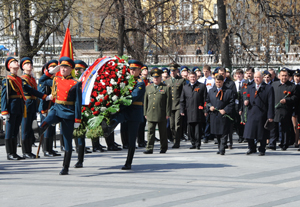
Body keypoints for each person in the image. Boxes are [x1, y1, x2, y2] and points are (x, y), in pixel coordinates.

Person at [39, 57, 82, 175]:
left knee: (67, 141)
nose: (63, 69)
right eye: (62, 67)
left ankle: (65, 167)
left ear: (71, 69)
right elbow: (41, 81)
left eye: (66, 67)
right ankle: (40, 130)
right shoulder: (55, 79)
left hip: (68, 112)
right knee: (46, 121)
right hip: (56, 108)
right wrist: (51, 71)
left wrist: (78, 119)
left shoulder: (76, 83)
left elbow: (78, 102)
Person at [101, 59, 145, 170]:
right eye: (131, 69)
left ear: (139, 70)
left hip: (134, 112)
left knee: (131, 139)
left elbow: (133, 96)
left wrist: (119, 103)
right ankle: (108, 129)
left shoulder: (140, 83)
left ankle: (128, 162)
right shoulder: (124, 81)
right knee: (114, 119)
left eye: (134, 69)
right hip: (124, 110)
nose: (132, 71)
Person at [20, 57, 51, 159]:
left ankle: (29, 151)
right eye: (27, 64)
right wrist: (44, 96)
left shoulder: (32, 79)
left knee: (30, 128)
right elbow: (30, 90)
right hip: (26, 105)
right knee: (25, 128)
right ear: (23, 67)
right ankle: (25, 151)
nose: (30, 65)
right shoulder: (23, 79)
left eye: (30, 64)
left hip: (33, 105)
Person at [1, 57, 27, 160]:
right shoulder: (7, 80)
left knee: (15, 131)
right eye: (13, 62)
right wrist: (4, 110)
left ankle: (14, 152)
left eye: (16, 61)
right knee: (9, 131)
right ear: (9, 66)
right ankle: (9, 153)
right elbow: (4, 96)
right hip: (11, 108)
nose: (16, 62)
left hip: (19, 107)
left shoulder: (19, 79)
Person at [243, 71, 275, 156]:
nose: (256, 79)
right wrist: (246, 101)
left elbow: (271, 103)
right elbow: (247, 97)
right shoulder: (250, 87)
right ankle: (251, 147)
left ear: (262, 78)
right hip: (251, 112)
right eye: (255, 77)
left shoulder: (268, 88)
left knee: (261, 133)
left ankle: (262, 149)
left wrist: (270, 115)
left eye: (258, 77)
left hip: (262, 113)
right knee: (249, 132)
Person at [268, 68, 298, 150]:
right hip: (275, 109)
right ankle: (272, 143)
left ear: (288, 76)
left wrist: (287, 100)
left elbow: (295, 97)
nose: (284, 77)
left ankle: (284, 143)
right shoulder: (274, 84)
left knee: (284, 128)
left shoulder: (292, 86)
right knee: (273, 127)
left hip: (285, 110)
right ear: (279, 76)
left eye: (285, 76)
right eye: (282, 76)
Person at [143, 68, 171, 154]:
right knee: (150, 132)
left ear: (160, 78)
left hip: (161, 113)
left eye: (157, 77)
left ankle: (163, 147)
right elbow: (145, 101)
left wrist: (167, 113)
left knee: (162, 132)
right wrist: (145, 113)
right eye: (154, 77)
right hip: (151, 112)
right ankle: (149, 148)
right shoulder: (148, 88)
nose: (155, 79)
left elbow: (168, 102)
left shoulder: (165, 88)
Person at [206, 75, 234, 155]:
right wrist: (210, 107)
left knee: (224, 133)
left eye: (220, 82)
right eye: (217, 82)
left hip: (223, 115)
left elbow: (231, 103)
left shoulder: (228, 91)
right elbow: (207, 101)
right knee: (217, 133)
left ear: (223, 82)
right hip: (214, 115)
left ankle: (222, 149)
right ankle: (219, 146)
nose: (218, 83)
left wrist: (225, 110)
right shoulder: (211, 91)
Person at [38, 60, 62, 157]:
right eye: (52, 67)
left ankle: (50, 148)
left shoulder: (55, 79)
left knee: (51, 128)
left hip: (52, 107)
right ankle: (46, 150)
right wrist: (43, 110)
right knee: (47, 129)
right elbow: (42, 95)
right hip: (45, 108)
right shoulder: (46, 81)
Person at [180, 71, 207, 149]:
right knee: (190, 129)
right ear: (188, 78)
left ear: (196, 77)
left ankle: (198, 144)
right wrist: (182, 110)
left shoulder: (202, 86)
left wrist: (205, 110)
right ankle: (193, 143)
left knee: (198, 129)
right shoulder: (185, 87)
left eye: (194, 77)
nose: (192, 78)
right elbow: (182, 100)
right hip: (188, 111)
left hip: (198, 110)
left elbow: (205, 99)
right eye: (191, 77)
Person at [165, 63, 185, 148]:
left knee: (178, 124)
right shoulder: (166, 81)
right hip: (170, 106)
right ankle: (174, 139)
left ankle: (177, 142)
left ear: (177, 71)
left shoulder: (181, 80)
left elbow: (183, 94)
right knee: (172, 125)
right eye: (171, 70)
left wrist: (183, 106)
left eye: (174, 70)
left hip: (178, 105)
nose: (172, 72)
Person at [218, 68, 237, 149]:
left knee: (229, 127)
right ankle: (222, 143)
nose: (221, 75)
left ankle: (229, 142)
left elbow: (234, 94)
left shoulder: (231, 83)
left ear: (225, 74)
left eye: (223, 73)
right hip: (219, 108)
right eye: (220, 73)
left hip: (228, 108)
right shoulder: (217, 82)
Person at [198, 65, 215, 143]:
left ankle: (206, 135)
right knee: (202, 118)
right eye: (204, 71)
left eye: (207, 72)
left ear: (209, 72)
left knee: (208, 118)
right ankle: (202, 133)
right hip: (202, 100)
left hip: (209, 100)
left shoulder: (212, 80)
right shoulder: (200, 80)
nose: (205, 73)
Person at [233, 69, 245, 145]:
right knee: (237, 120)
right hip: (236, 103)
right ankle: (240, 135)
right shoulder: (234, 83)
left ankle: (244, 135)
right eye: (237, 74)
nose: (238, 76)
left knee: (243, 120)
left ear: (242, 75)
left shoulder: (245, 83)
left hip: (243, 103)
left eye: (240, 74)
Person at [293, 69, 300, 148]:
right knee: (295, 126)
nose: (297, 78)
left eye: (298, 76)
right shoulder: (291, 85)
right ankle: (296, 140)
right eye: (295, 76)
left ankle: (298, 141)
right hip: (294, 108)